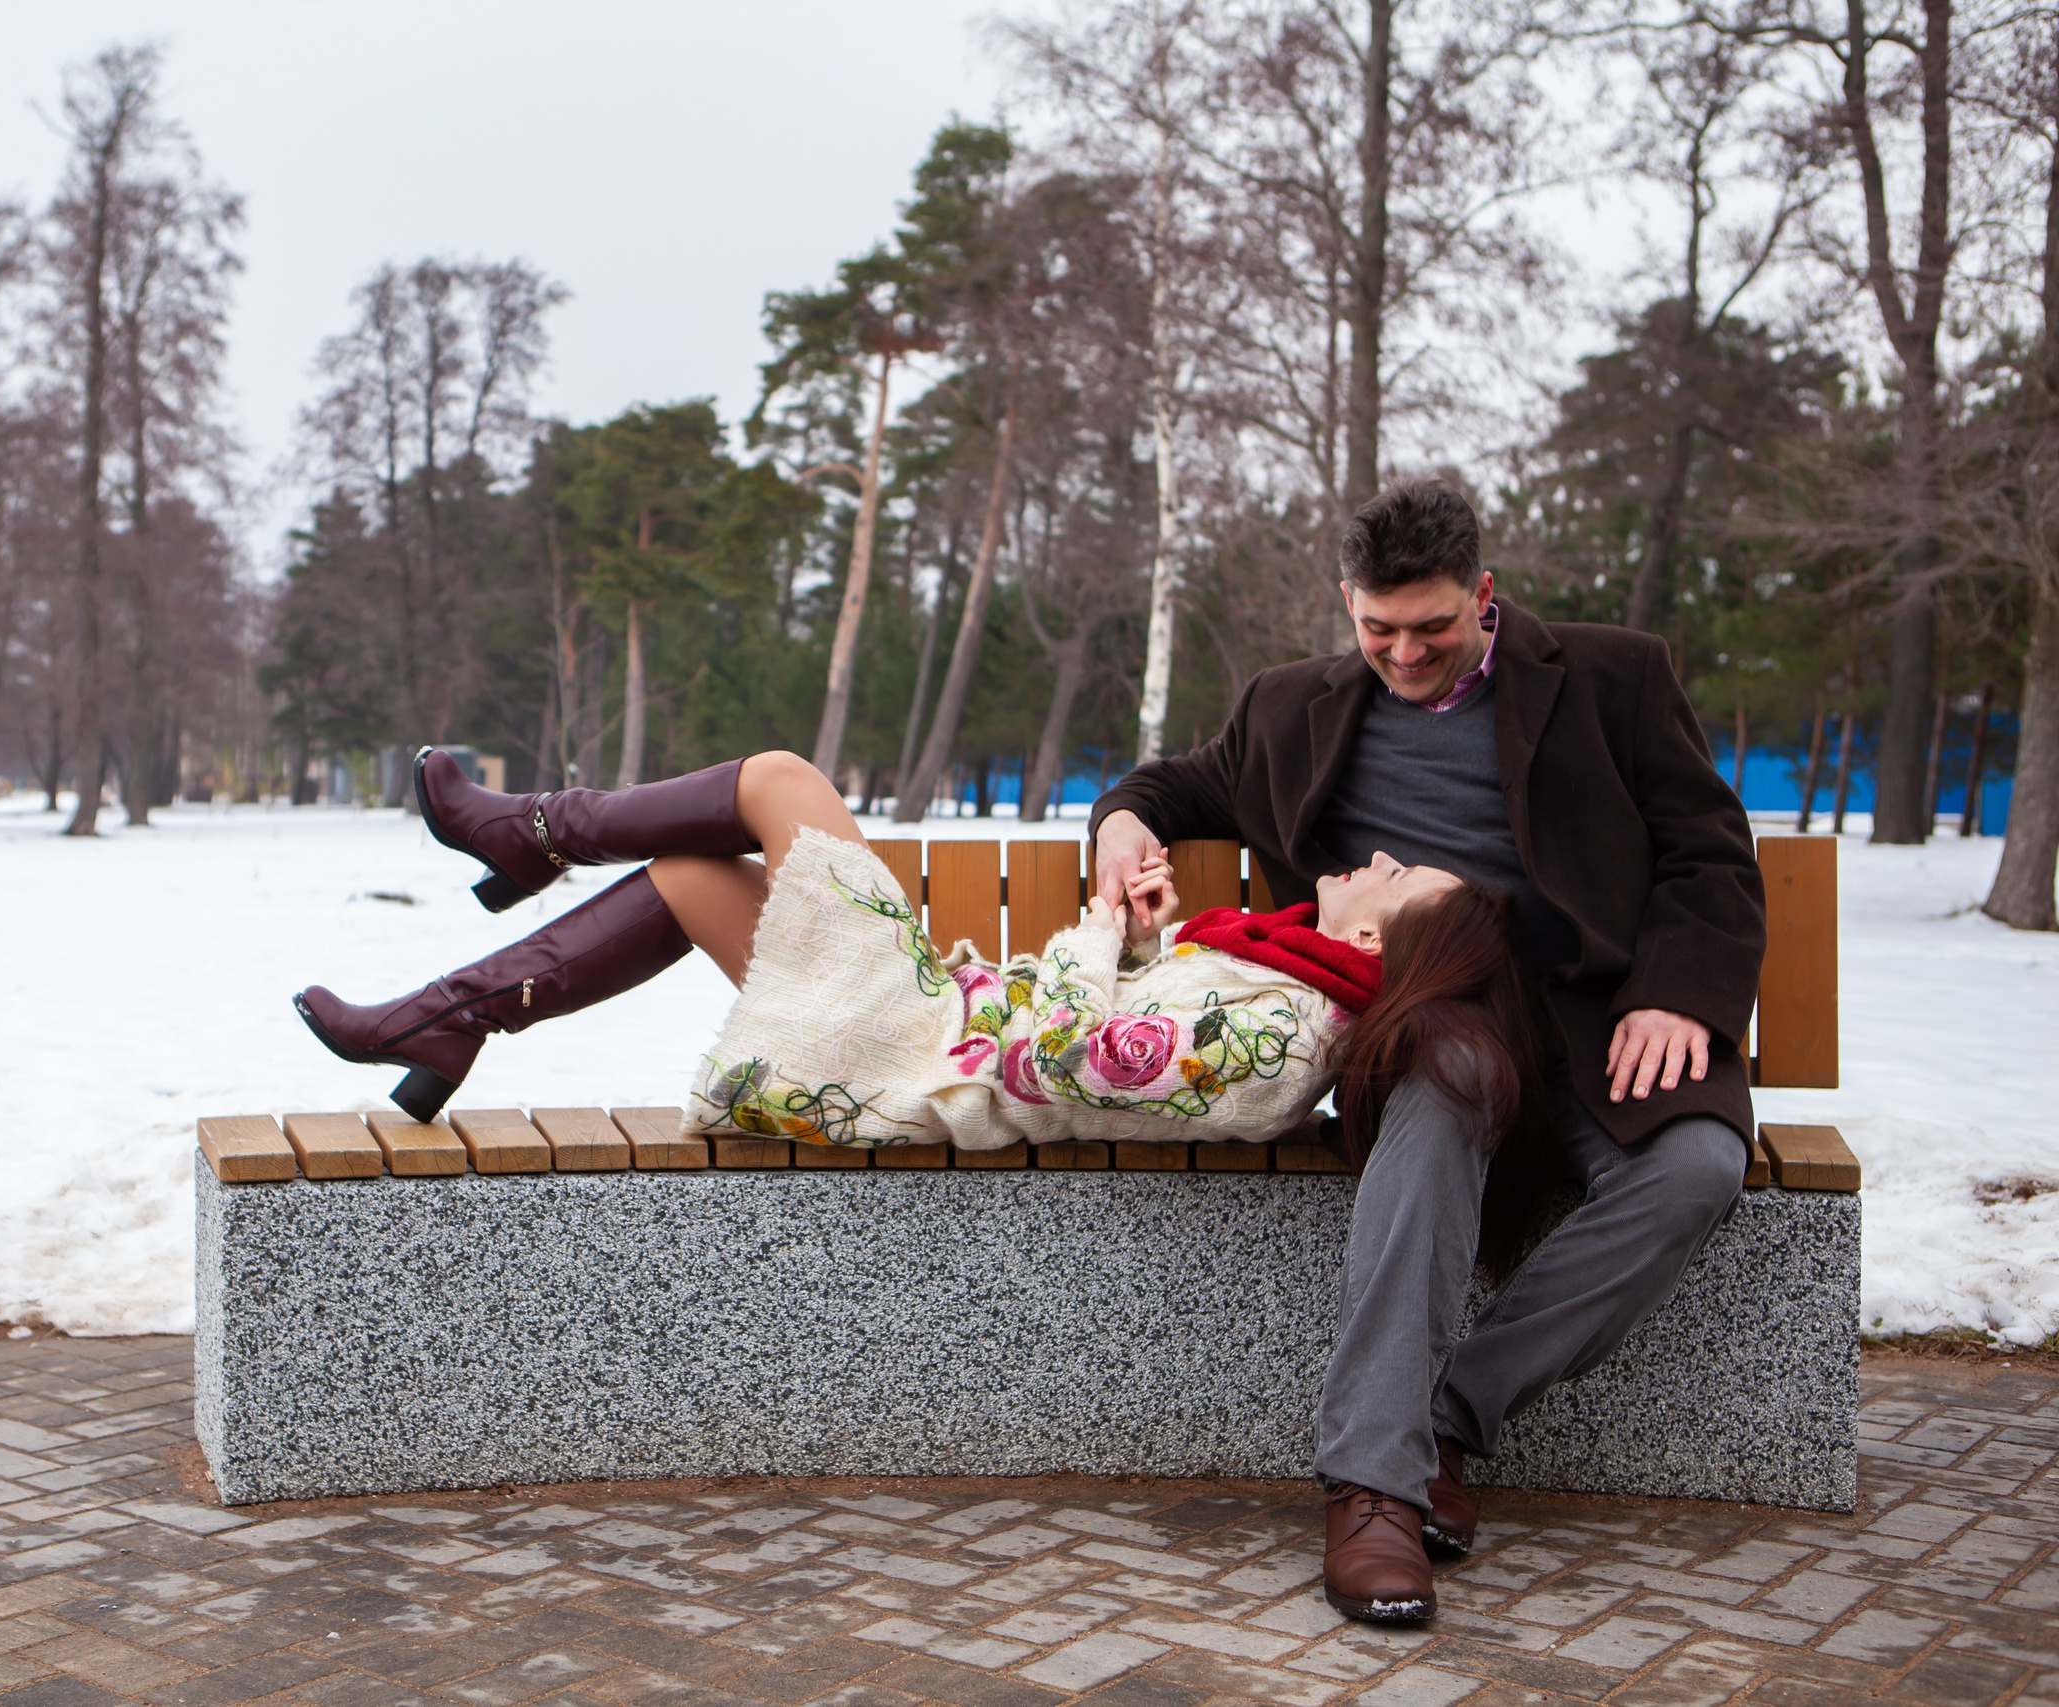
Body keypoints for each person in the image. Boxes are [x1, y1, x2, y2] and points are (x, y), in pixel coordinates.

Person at [1085, 475, 1764, 1626]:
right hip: (1427, 1009)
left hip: (1593, 1020)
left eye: (1432, 628)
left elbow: (1709, 856)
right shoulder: (1290, 706)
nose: (1403, 653)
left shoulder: (1613, 677)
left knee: (1694, 1168)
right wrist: (1122, 824)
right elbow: (1169, 783)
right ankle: (1372, 1489)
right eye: (1377, 627)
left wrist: (1676, 998)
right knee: (1441, 1083)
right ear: (1348, 604)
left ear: (1484, 597)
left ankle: (1443, 1417)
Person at [292, 750, 1480, 1152]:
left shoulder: (1282, 1033)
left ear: (1377, 934)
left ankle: (527, 833)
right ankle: (449, 1018)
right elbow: (1125, 1047)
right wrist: (1145, 946)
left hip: (917, 1061)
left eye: (1396, 875)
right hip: (934, 1032)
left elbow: (1063, 1063)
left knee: (778, 782)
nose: (1375, 859)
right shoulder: (1286, 987)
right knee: (692, 875)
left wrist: (1104, 933)